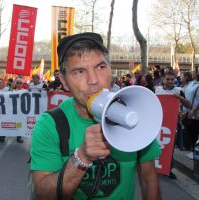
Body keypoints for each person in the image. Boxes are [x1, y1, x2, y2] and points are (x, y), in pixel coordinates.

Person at [30, 32, 161, 199]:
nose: (93, 80)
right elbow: (44, 195)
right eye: (79, 71)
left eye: (100, 67)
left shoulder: (134, 111)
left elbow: (148, 177)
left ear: (110, 69)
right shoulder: (50, 125)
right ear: (63, 81)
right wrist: (81, 157)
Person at [155, 70, 191, 179]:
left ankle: (168, 169)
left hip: (171, 124)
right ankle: (156, 166)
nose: (170, 81)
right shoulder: (157, 90)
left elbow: (189, 105)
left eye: (172, 79)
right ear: (163, 80)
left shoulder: (178, 90)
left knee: (169, 147)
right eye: (168, 79)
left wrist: (179, 99)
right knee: (156, 145)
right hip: (158, 123)